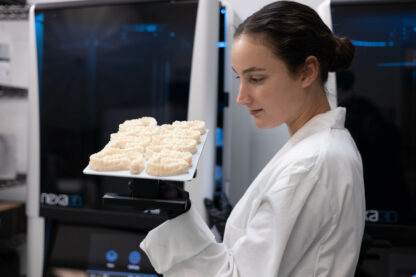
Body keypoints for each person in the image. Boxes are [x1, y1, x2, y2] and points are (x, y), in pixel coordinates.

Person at [140, 1, 365, 276]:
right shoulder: (323, 147)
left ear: (307, 72)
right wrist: (185, 215)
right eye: (239, 79)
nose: (241, 97)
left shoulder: (309, 165)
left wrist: (180, 219)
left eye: (256, 79)